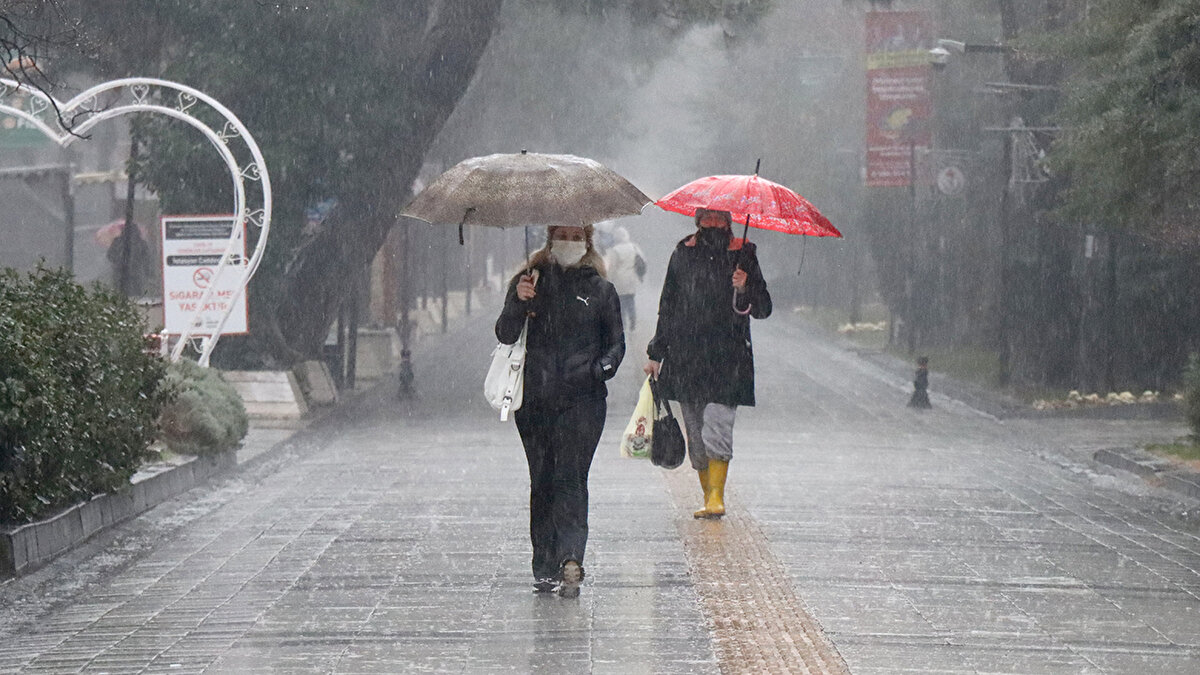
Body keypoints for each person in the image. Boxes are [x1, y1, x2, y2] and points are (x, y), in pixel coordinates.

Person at [495, 224, 625, 597]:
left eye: (575, 235)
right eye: (561, 234)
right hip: (535, 399)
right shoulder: (529, 282)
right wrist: (519, 302)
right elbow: (505, 333)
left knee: (571, 476)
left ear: (587, 242)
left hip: (583, 402)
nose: (568, 242)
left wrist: (597, 370)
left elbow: (616, 345)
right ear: (550, 239)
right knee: (543, 480)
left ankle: (570, 557)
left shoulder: (601, 290)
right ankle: (544, 563)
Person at [643, 208, 772, 519]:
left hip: (729, 359)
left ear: (729, 222)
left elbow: (763, 308)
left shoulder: (744, 253)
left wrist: (745, 287)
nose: (713, 224)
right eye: (707, 218)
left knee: (717, 425)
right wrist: (655, 352)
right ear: (697, 220)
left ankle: (717, 496)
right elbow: (668, 305)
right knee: (696, 433)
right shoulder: (682, 252)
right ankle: (706, 494)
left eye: (720, 218)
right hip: (686, 357)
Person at [603, 226, 647, 331]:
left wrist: (608, 280)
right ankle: (633, 322)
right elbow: (642, 261)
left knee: (621, 303)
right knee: (630, 301)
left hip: (619, 280)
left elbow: (612, 267)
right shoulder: (634, 247)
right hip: (632, 279)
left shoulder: (615, 250)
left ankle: (624, 324)